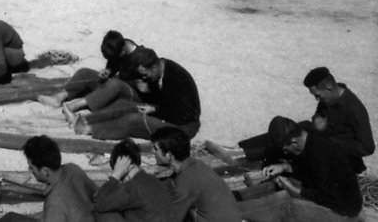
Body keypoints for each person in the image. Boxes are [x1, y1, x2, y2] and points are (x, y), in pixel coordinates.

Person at [233, 67, 373, 175]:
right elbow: (318, 118)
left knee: (291, 141)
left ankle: (246, 155)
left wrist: (330, 142)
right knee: (286, 130)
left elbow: (367, 147)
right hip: (323, 139)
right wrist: (317, 123)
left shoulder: (354, 109)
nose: (317, 100)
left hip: (341, 157)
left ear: (329, 88)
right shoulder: (329, 98)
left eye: (318, 96)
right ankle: (240, 150)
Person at [72, 47, 201, 141]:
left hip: (184, 126)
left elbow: (186, 115)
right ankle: (87, 120)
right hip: (167, 111)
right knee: (124, 104)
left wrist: (155, 110)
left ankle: (91, 130)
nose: (144, 78)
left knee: (133, 120)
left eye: (145, 75)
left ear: (154, 68)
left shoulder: (176, 80)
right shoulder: (160, 69)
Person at [261, 121, 362, 221]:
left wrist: (292, 189)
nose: (286, 152)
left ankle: (245, 214)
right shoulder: (309, 136)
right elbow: (311, 173)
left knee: (284, 205)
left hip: (343, 211)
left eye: (286, 149)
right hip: (340, 199)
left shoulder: (319, 153)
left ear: (294, 142)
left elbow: (327, 197)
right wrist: (285, 167)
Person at [150, 127, 241, 222]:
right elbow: (170, 183)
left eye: (155, 149)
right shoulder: (195, 164)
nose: (153, 152)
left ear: (169, 155)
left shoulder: (185, 182)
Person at [0, 135, 96, 222]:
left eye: (32, 168)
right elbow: (97, 194)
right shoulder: (73, 169)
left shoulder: (55, 202)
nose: (30, 170)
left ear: (45, 171)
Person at [39, 30, 138, 111]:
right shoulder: (118, 45)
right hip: (116, 85)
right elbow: (113, 64)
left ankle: (75, 106)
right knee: (84, 73)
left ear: (122, 52)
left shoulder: (142, 59)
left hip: (129, 93)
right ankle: (59, 98)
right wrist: (108, 71)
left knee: (114, 86)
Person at [91, 139, 172, 222]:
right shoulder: (153, 181)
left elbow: (100, 204)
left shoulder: (134, 187)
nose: (121, 182)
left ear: (125, 167)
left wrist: (115, 175)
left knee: (104, 212)